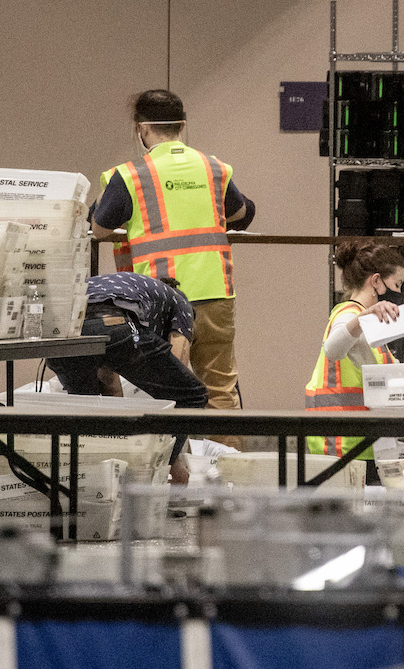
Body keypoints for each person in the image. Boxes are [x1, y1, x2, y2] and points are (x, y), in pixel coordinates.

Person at [90, 89, 256, 449]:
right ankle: (225, 473)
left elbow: (100, 227)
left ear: (141, 130)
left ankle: (164, 472)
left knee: (163, 387)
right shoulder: (214, 167)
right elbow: (242, 213)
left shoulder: (131, 174)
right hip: (215, 290)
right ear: (182, 125)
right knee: (220, 388)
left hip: (161, 298)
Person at [45, 273, 208, 483]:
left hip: (58, 330)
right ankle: (155, 480)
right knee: (192, 396)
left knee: (89, 416)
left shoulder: (130, 289)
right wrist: (170, 458)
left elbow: (109, 383)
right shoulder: (180, 302)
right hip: (113, 321)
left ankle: (100, 489)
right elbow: (176, 374)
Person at [304, 241, 404, 484]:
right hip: (342, 445)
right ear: (376, 281)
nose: (399, 293)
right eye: (396, 284)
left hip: (364, 444)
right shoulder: (348, 314)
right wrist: (362, 317)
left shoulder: (374, 329)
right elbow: (334, 348)